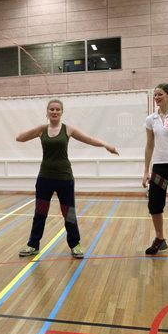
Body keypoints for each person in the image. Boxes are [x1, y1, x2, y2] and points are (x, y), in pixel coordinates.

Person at [16, 99, 118, 259]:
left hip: (64, 178)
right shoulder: (42, 130)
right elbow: (19, 138)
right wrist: (35, 130)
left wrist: (106, 145)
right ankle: (33, 245)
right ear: (47, 112)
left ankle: (75, 244)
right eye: (52, 109)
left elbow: (89, 139)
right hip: (45, 178)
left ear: (62, 112)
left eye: (57, 109)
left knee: (68, 213)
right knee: (40, 212)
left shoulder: (68, 130)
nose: (55, 112)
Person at [142, 83, 168, 255]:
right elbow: (149, 145)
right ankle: (160, 238)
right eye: (155, 95)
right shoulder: (150, 119)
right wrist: (146, 170)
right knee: (154, 203)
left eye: (160, 94)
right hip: (159, 167)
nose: (157, 97)